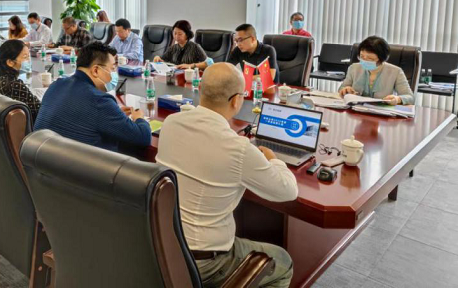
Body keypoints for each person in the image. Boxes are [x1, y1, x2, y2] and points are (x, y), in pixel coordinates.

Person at [156, 63, 297, 288]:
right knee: (283, 262)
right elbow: (288, 191)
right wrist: (274, 159)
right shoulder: (238, 148)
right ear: (236, 101)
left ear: (200, 89)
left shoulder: (171, 123)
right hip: (204, 261)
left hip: (164, 244)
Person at [34, 41, 151, 152]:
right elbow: (143, 137)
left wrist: (114, 114)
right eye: (112, 68)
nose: (114, 74)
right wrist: (139, 118)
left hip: (41, 160)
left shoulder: (55, 85)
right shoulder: (100, 101)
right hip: (80, 166)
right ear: (95, 70)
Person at [339, 36, 414, 105]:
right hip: (356, 109)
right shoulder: (354, 68)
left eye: (370, 58)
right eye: (362, 57)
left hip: (381, 111)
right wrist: (345, 90)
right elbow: (341, 89)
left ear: (382, 59)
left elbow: (410, 97)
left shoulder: (396, 72)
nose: (364, 61)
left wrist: (397, 99)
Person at [0, 39, 41, 121]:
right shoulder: (14, 85)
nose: (29, 61)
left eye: (29, 56)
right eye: (25, 57)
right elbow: (40, 110)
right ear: (10, 62)